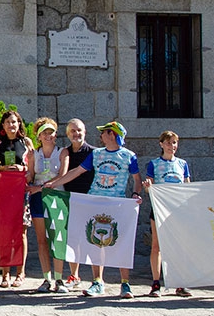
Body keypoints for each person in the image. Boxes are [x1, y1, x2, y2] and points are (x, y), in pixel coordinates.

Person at [44, 121, 143, 298]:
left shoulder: (129, 156)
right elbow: (77, 171)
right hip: (95, 201)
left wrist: (135, 194)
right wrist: (54, 184)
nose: (100, 136)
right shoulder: (96, 154)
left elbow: (137, 179)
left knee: (122, 242)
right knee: (95, 241)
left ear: (112, 134)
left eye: (104, 133)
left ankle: (125, 283)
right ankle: (98, 281)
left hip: (118, 202)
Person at [142, 131, 192, 298]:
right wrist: (147, 186)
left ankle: (179, 282)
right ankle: (156, 283)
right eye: (169, 143)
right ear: (161, 144)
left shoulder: (182, 164)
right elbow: (149, 189)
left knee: (179, 246)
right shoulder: (154, 164)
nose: (172, 146)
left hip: (177, 210)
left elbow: (187, 187)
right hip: (159, 210)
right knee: (157, 245)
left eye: (174, 143)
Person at [0, 110, 33, 288]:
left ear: (19, 124)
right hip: (3, 193)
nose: (11, 125)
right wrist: (4, 169)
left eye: (14, 122)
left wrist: (22, 170)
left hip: (21, 192)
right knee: (4, 234)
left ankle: (20, 273)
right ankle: (5, 273)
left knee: (21, 232)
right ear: (3, 125)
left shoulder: (26, 142)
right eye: (7, 122)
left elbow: (33, 168)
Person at [26, 118, 67, 293]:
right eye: (45, 133)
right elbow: (30, 176)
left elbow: (62, 176)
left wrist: (40, 187)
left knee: (57, 238)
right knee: (42, 240)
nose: (48, 135)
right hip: (37, 199)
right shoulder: (34, 154)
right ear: (39, 136)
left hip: (57, 197)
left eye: (51, 132)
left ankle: (59, 279)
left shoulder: (63, 152)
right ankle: (46, 279)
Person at [58, 118, 96, 288]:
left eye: (79, 130)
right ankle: (74, 275)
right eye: (72, 131)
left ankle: (98, 279)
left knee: (95, 239)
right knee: (73, 240)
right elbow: (63, 174)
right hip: (71, 199)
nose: (76, 134)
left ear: (85, 132)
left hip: (90, 201)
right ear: (67, 134)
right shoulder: (65, 153)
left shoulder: (95, 153)